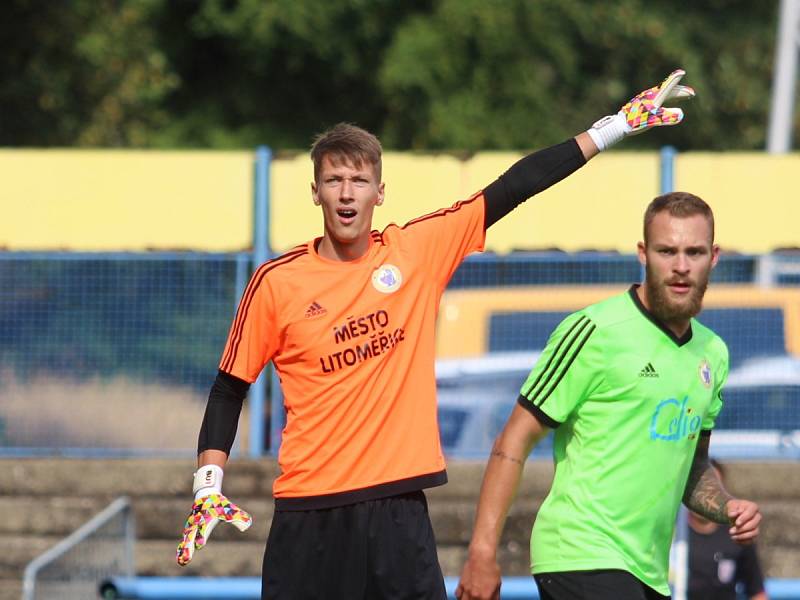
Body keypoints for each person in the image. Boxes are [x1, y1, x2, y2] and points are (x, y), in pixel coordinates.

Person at [176, 70, 697, 600]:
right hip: (310, 513)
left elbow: (513, 187)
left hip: (398, 512)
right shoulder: (276, 282)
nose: (347, 193)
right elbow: (228, 388)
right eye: (334, 181)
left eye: (359, 181)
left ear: (380, 191)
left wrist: (612, 128)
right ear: (316, 192)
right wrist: (208, 483)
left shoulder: (416, 251)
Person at [455, 191, 764, 600]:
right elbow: (514, 438)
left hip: (648, 571)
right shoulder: (594, 330)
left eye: (694, 252)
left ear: (715, 256)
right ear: (643, 253)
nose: (681, 266)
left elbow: (693, 466)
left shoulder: (713, 353)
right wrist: (481, 551)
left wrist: (727, 508)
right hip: (580, 552)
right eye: (666, 251)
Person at [688, 459, 768, 600]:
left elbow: (756, 591)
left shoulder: (737, 533)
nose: (706, 497)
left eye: (713, 491)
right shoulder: (670, 534)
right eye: (698, 487)